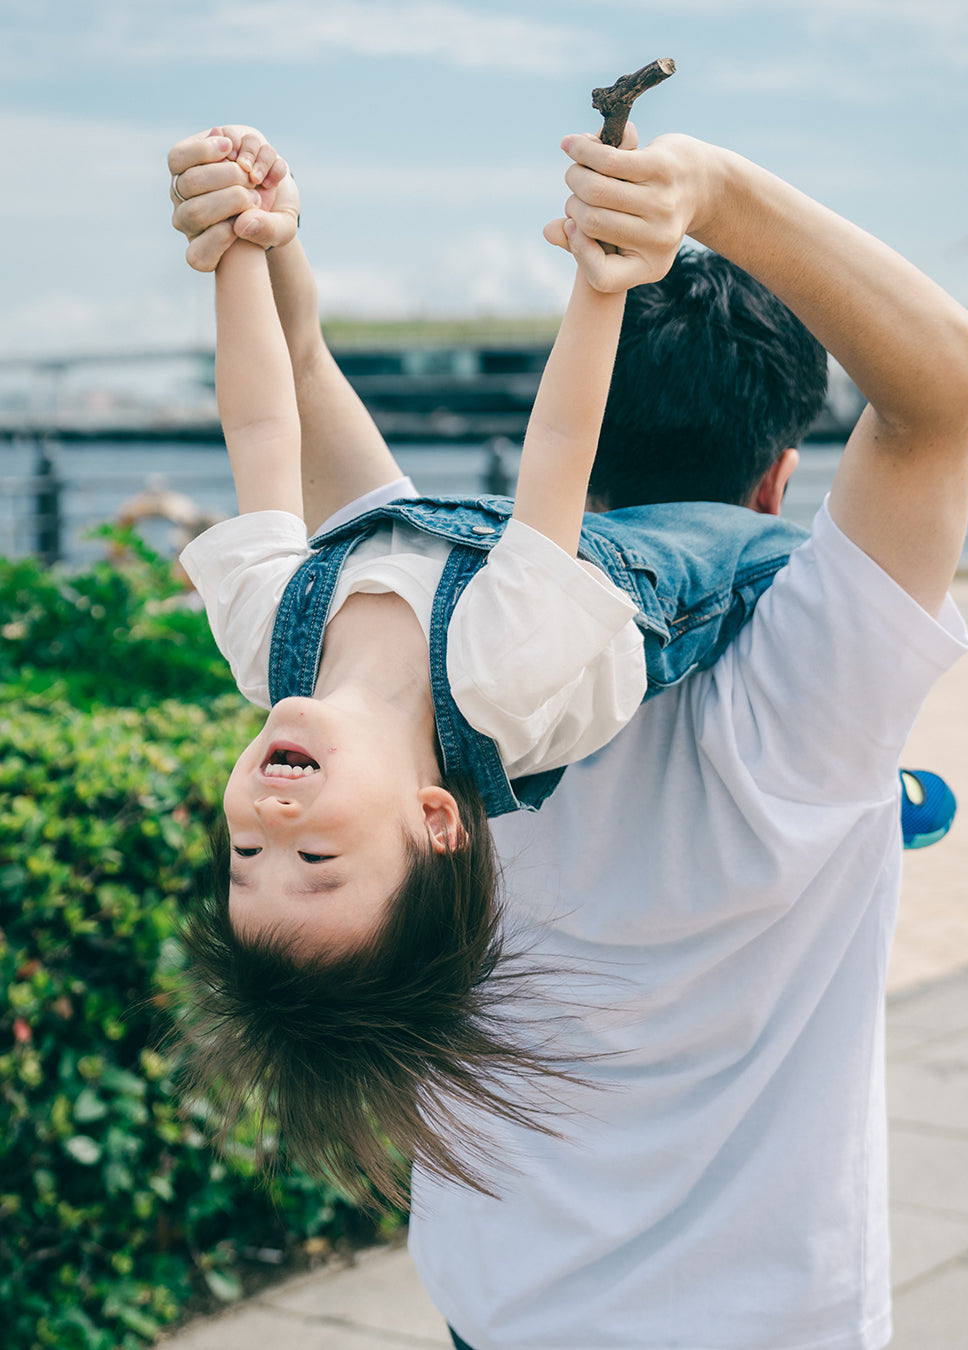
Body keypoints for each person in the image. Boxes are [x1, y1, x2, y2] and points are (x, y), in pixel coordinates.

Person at [169, 121, 968, 1349]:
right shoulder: (801, 690)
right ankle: (901, 805)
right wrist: (703, 193)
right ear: (777, 480)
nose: (270, 831)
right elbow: (940, 389)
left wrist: (251, 241)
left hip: (494, 1316)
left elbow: (285, 380)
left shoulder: (371, 658)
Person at [170, 129, 818, 1209]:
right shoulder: (503, 674)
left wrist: (248, 243)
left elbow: (261, 411)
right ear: (436, 820)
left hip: (444, 554)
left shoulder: (264, 632)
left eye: (244, 853)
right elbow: (560, 449)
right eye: (319, 858)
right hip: (630, 591)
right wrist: (600, 278)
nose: (274, 824)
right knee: (771, 557)